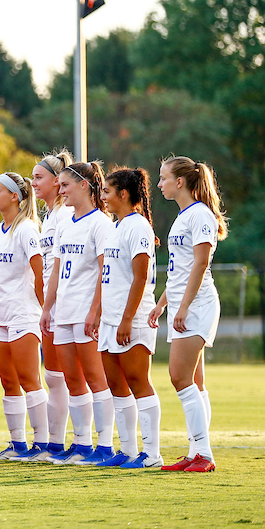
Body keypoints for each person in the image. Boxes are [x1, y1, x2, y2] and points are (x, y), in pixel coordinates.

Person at [152, 156, 228, 473]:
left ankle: (204, 454)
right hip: (185, 301)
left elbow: (200, 265)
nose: (160, 184)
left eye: (164, 177)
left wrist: (182, 306)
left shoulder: (200, 215)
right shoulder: (184, 216)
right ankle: (196, 450)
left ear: (180, 182)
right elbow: (181, 270)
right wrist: (163, 302)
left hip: (198, 304)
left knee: (179, 377)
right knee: (194, 382)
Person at [41, 162, 115, 465]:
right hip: (64, 311)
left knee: (96, 379)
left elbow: (103, 271)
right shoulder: (65, 222)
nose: (61, 190)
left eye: (66, 185)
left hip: (86, 310)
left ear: (84, 185)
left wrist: (95, 310)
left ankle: (105, 445)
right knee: (73, 380)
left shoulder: (100, 223)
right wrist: (48, 307)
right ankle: (82, 443)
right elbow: (57, 268)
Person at [98, 167, 162, 468]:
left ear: (123, 194)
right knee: (116, 384)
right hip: (110, 319)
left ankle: (152, 454)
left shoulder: (138, 227)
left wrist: (126, 319)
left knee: (139, 381)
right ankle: (128, 450)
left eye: (108, 192)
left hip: (131, 320)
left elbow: (140, 278)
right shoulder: (117, 225)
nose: (104, 197)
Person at [0, 172, 48, 461]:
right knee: (8, 380)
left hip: (23, 313)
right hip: (0, 312)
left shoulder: (26, 229)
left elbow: (40, 273)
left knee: (29, 379)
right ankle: (17, 443)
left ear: (15, 196)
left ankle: (44, 443)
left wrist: (44, 310)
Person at [31, 150, 75, 459]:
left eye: (38, 177)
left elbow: (60, 265)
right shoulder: (49, 215)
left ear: (56, 181)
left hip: (64, 302)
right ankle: (53, 442)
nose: (33, 183)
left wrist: (51, 303)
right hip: (52, 302)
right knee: (54, 375)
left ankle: (68, 442)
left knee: (66, 376)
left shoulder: (62, 214)